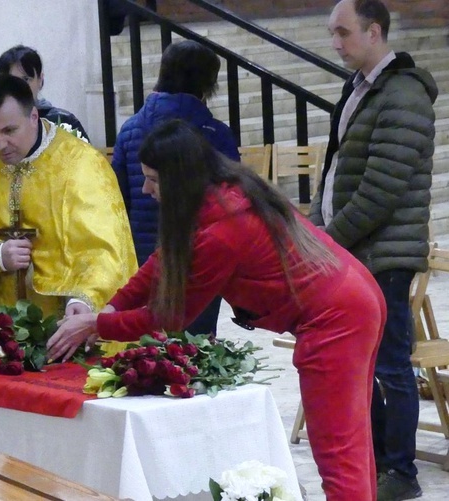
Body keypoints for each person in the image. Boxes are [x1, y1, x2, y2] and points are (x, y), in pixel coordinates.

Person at [47, 120, 386, 500]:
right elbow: (160, 264)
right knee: (351, 442)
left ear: (180, 179)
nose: (145, 189)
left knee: (338, 450)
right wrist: (111, 306)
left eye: (154, 180)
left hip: (337, 317)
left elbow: (169, 317)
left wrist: (99, 324)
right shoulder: (218, 193)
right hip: (353, 295)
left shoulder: (223, 231)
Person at [310, 1, 437, 498]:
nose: (336, 43)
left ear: (374, 31)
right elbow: (338, 170)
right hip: (357, 251)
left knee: (389, 363)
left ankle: (400, 473)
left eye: (343, 33)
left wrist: (327, 238)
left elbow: (381, 191)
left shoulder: (403, 95)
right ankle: (375, 461)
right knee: (359, 360)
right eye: (333, 34)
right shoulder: (362, 88)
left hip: (384, 252)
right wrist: (318, 225)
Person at [0, 73, 137, 325]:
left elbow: (107, 249)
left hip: (61, 321)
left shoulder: (81, 164)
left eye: (9, 130)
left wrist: (83, 299)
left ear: (33, 116)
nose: (0, 144)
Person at [111, 40, 240, 336]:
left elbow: (116, 197)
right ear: (207, 82)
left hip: (142, 255)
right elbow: (231, 200)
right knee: (196, 347)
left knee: (149, 344)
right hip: (202, 254)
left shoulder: (131, 128)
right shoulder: (214, 134)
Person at [0, 44, 89, 141]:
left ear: (40, 79)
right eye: (12, 81)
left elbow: (88, 155)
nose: (19, 87)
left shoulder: (65, 121)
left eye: (26, 79)